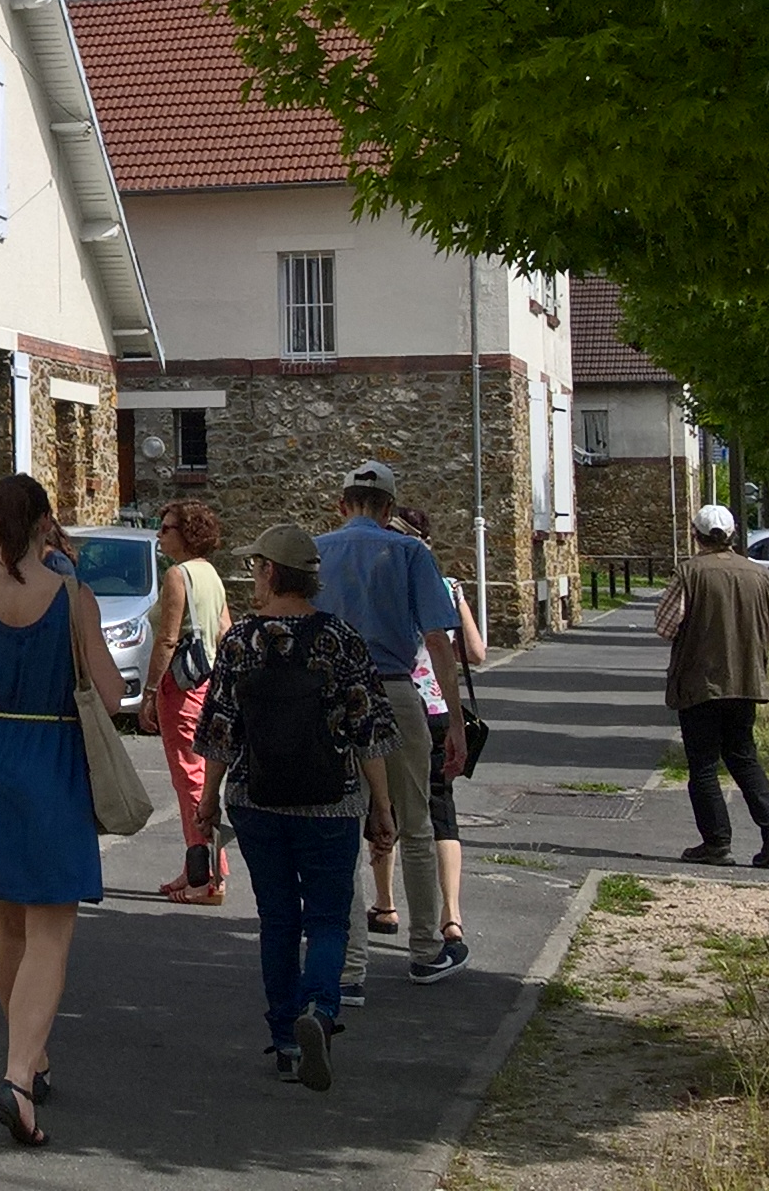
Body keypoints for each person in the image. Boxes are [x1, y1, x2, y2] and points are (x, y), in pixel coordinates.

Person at [195, 522, 397, 1092]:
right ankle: (320, 1009)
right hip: (331, 802)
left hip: (257, 801)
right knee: (329, 919)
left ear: (269, 572)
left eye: (254, 567)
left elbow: (220, 731)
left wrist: (208, 802)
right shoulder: (341, 639)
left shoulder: (240, 643)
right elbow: (370, 729)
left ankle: (285, 1037)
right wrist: (381, 806)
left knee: (278, 919)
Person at [0, 474, 127, 1146]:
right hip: (54, 756)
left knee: (9, 918)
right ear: (41, 525)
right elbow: (112, 694)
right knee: (53, 928)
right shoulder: (72, 596)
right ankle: (18, 1076)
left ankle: (33, 1053)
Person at [316, 459, 470, 999]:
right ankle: (426, 947)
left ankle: (348, 966)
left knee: (344, 825)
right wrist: (452, 720)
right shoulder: (409, 552)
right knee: (416, 821)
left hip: (331, 696)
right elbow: (437, 642)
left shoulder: (315, 553)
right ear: (388, 509)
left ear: (342, 504)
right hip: (395, 689)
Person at [366, 507, 488, 952]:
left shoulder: (383, 582)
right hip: (437, 708)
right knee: (439, 810)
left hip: (393, 700)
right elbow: (474, 652)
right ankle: (451, 915)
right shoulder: (447, 587)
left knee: (384, 807)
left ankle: (385, 904)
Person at [659, 504, 769, 867]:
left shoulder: (688, 573)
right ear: (733, 535)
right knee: (743, 756)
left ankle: (717, 842)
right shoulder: (759, 574)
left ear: (696, 535)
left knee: (703, 764)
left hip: (700, 682)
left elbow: (666, 626)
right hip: (747, 679)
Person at [138, 499, 232, 905]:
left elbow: (168, 638)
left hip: (181, 686)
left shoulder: (179, 575)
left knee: (189, 779)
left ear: (187, 534)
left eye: (167, 528)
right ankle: (201, 865)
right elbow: (225, 631)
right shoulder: (209, 574)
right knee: (197, 777)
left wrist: (150, 691)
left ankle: (207, 877)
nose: (160, 534)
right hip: (207, 682)